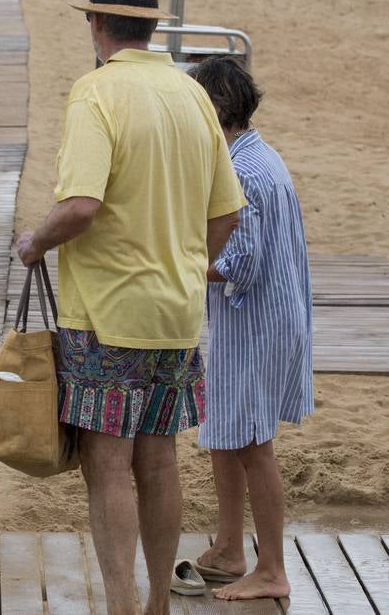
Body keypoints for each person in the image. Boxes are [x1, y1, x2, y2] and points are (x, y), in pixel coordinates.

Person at [15, 0, 245, 615]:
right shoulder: (193, 93)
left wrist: (35, 242)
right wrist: (192, 264)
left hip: (108, 313)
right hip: (176, 312)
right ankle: (155, 604)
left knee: (108, 462)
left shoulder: (96, 93)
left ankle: (119, 603)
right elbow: (228, 211)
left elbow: (82, 204)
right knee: (159, 458)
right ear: (149, 27)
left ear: (96, 26)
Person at [188, 56, 314, 601]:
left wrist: (179, 261)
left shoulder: (240, 171)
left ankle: (272, 568)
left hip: (256, 321)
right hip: (273, 314)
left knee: (255, 443)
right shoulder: (261, 155)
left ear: (213, 110)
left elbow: (239, 264)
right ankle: (231, 547)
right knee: (227, 432)